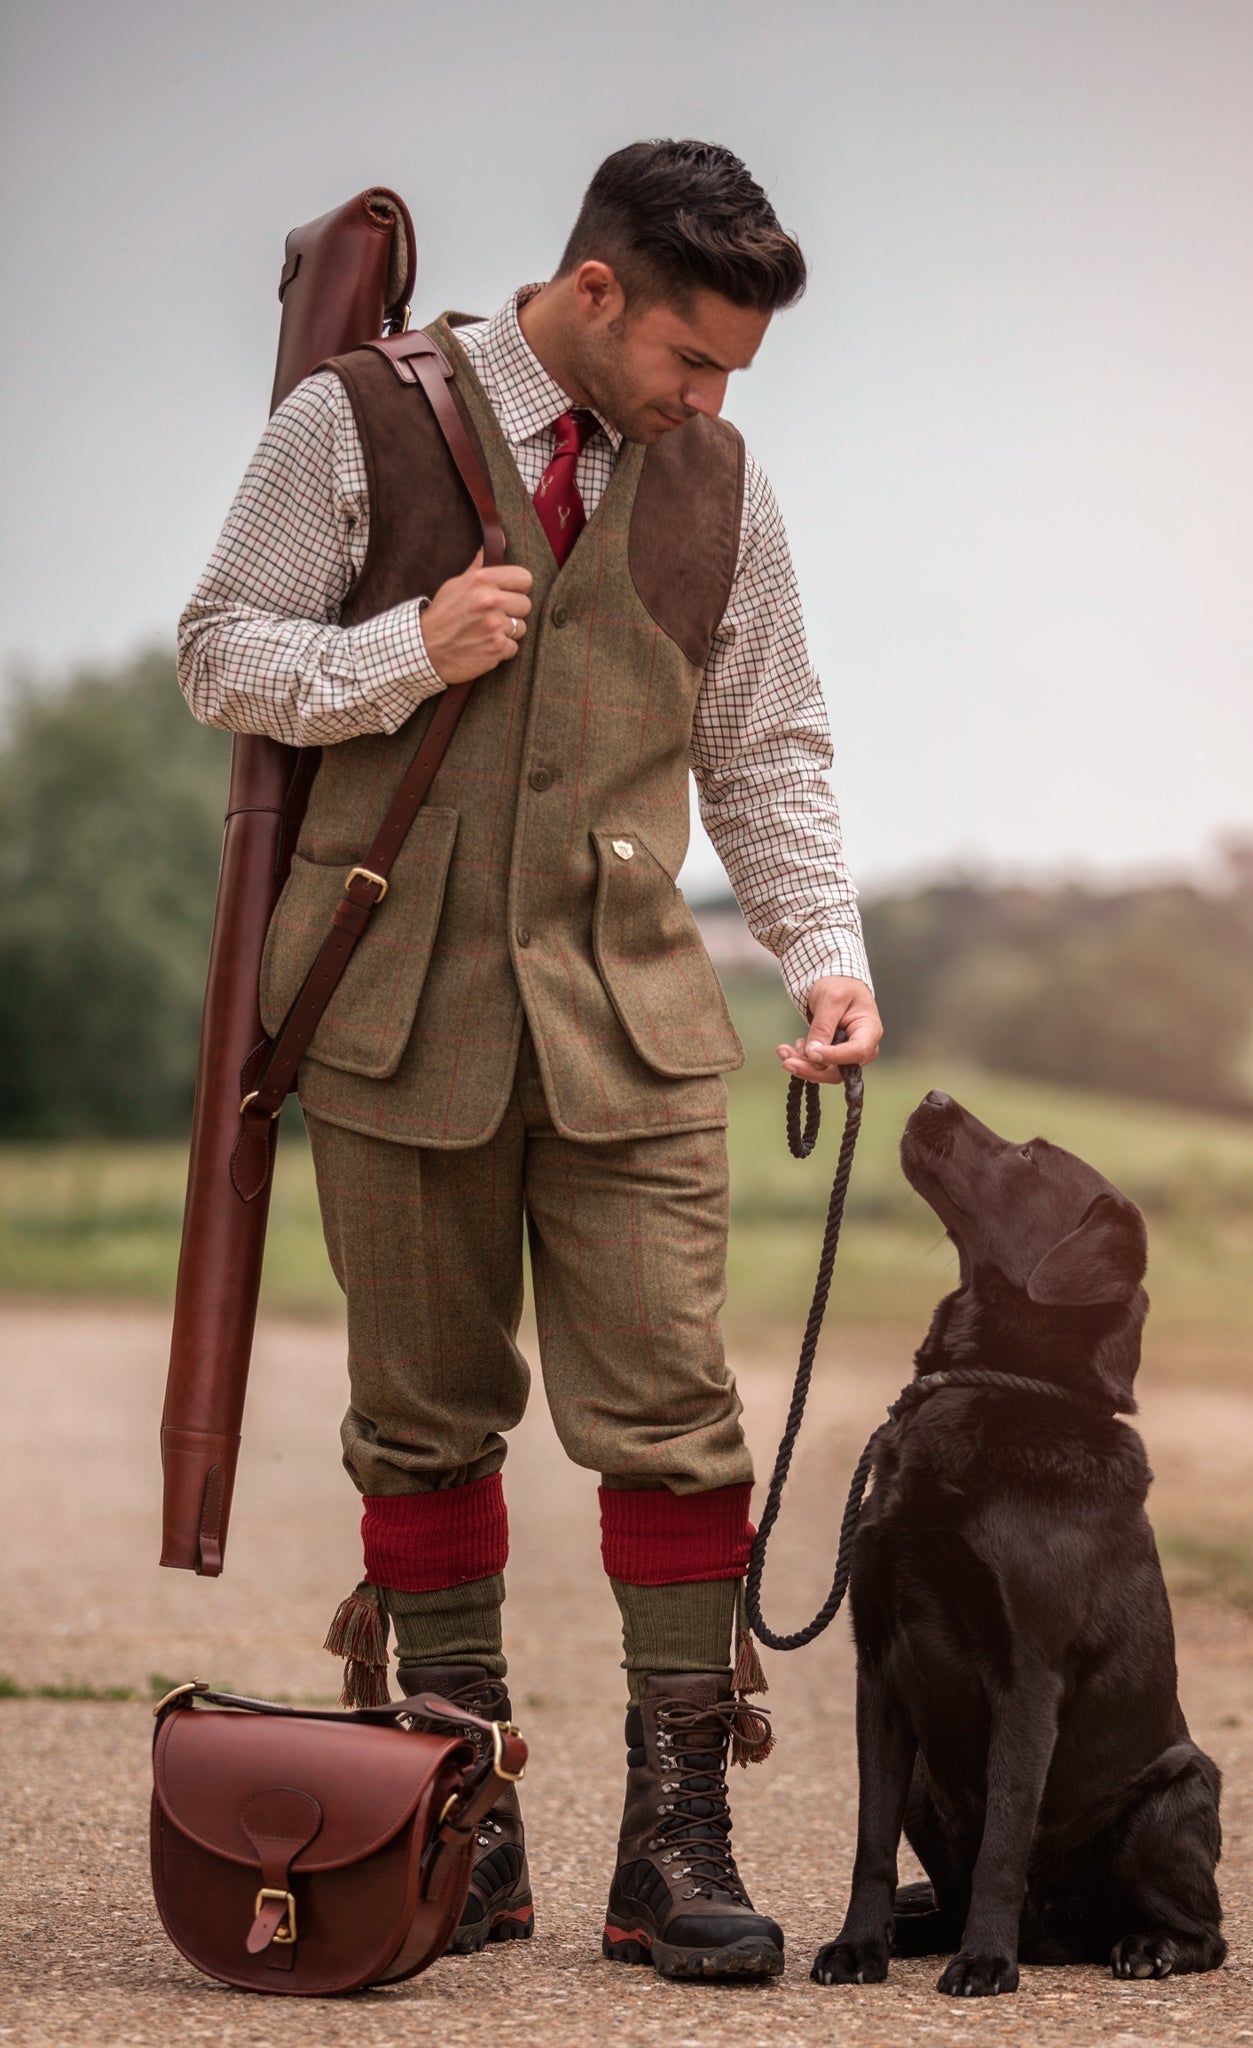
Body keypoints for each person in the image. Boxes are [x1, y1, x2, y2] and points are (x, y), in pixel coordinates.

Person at [178, 138, 881, 1983]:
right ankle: (458, 1827)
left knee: (673, 1418)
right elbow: (217, 655)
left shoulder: (721, 481)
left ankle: (676, 1841)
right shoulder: (352, 422)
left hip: (636, 1024)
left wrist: (824, 956)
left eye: (731, 373)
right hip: (389, 1007)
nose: (709, 400)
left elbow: (770, 745)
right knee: (421, 1423)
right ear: (592, 296)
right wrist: (404, 654)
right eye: (691, 359)